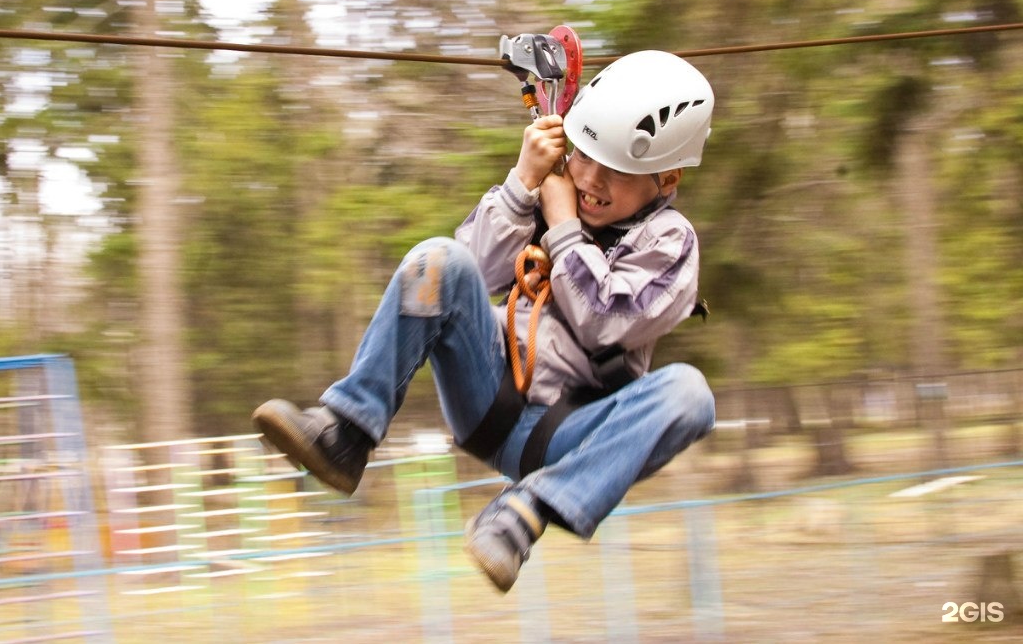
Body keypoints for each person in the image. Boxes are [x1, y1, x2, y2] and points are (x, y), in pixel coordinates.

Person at [252, 49, 717, 593]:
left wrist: (564, 226)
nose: (590, 177)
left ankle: (524, 514)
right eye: (584, 156)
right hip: (488, 392)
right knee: (437, 260)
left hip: (570, 432)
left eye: (615, 170)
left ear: (667, 176)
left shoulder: (670, 241)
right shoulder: (550, 195)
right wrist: (523, 185)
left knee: (691, 394)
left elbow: (604, 322)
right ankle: (347, 432)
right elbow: (468, 270)